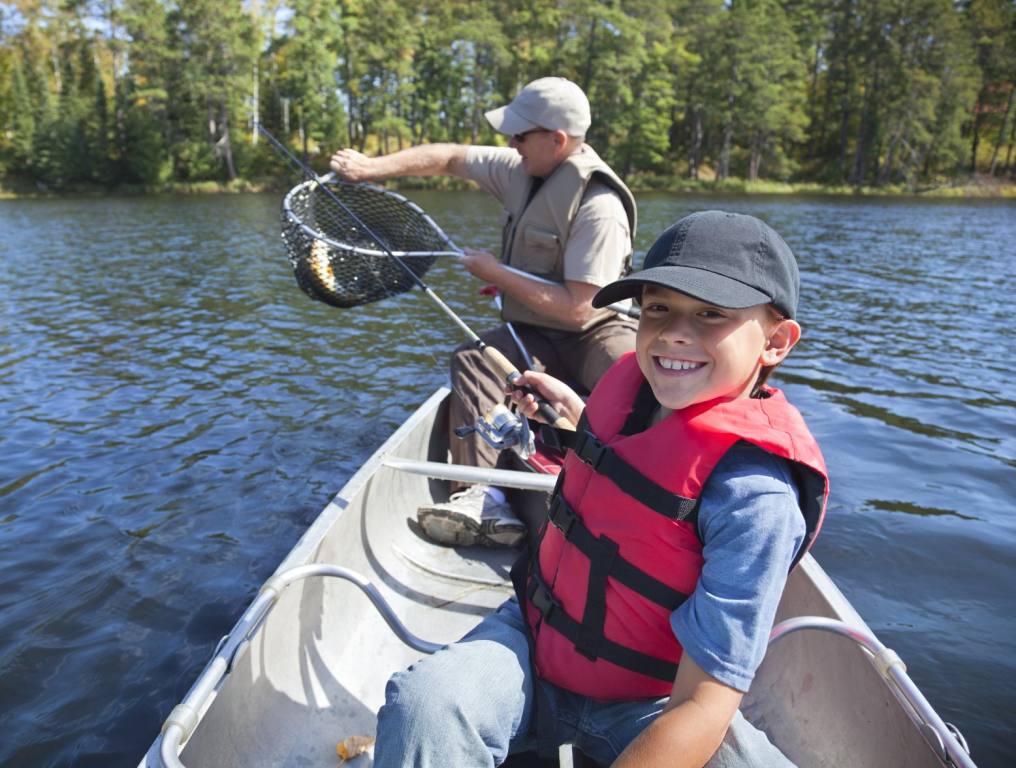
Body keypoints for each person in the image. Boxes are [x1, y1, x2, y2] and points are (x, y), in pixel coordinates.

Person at [369, 211, 830, 768]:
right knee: (427, 706)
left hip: (654, 697)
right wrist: (576, 417)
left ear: (776, 341)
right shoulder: (634, 396)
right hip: (536, 642)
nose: (676, 332)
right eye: (658, 308)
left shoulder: (758, 501)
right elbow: (633, 475)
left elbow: (702, 704)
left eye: (712, 314)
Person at [330, 77, 638, 548]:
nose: (510, 143)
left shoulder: (600, 206)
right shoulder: (521, 169)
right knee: (474, 359)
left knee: (637, 377)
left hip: (597, 329)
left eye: (520, 135)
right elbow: (451, 157)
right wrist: (371, 169)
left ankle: (647, 490)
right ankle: (481, 495)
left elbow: (580, 308)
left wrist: (498, 272)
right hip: (534, 331)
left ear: (556, 140)